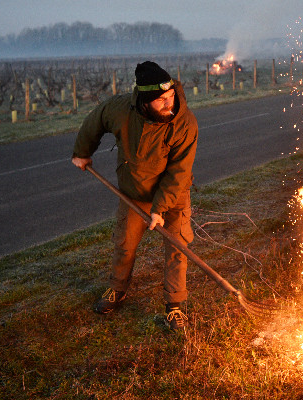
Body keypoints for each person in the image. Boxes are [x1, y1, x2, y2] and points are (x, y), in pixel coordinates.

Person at [71, 61, 198, 332]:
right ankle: (117, 289)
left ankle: (174, 306)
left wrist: (159, 209)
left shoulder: (184, 122)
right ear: (144, 101)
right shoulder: (120, 110)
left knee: (177, 249)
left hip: (173, 197)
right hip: (134, 193)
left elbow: (179, 172)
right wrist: (82, 151)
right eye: (162, 100)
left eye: (172, 96)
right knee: (125, 245)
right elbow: (96, 120)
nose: (170, 104)